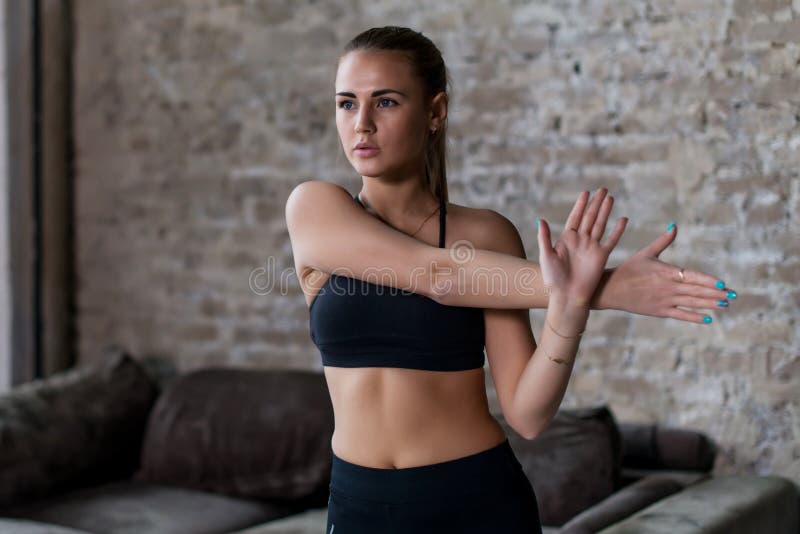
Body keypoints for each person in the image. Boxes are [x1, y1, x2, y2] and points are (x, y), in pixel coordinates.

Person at [285, 26, 734, 534]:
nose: (361, 124)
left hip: (476, 500)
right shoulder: (315, 209)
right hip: (359, 504)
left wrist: (571, 310)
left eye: (385, 102)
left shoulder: (487, 233)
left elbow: (527, 415)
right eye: (347, 104)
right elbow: (439, 275)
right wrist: (603, 288)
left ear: (435, 112)